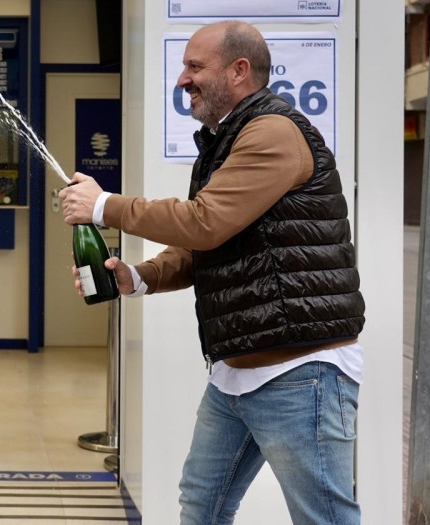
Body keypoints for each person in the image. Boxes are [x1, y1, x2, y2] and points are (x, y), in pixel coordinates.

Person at [59, 21, 365, 525]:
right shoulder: (227, 139)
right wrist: (137, 278)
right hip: (236, 371)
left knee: (324, 518)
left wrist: (104, 206)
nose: (183, 80)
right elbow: (216, 240)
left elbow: (204, 222)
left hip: (299, 372)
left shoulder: (273, 133)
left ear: (240, 71)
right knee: (202, 506)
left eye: (195, 67)